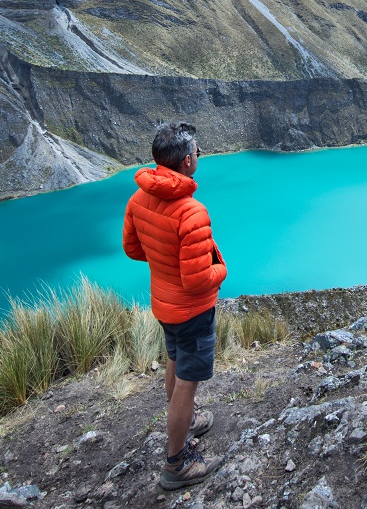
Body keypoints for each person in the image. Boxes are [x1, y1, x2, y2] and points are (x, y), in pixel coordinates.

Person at [123, 121, 227, 490]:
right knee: (188, 380)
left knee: (174, 358)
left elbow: (132, 249)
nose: (198, 156)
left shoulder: (138, 198)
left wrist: (163, 259)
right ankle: (176, 463)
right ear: (186, 162)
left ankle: (187, 421)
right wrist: (222, 270)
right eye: (197, 152)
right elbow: (198, 279)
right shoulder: (191, 212)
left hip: (163, 303)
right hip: (192, 309)